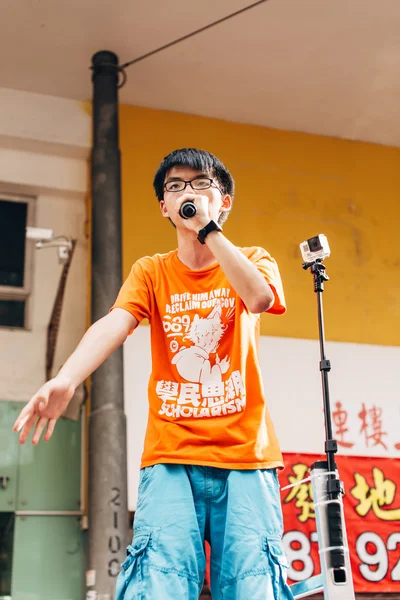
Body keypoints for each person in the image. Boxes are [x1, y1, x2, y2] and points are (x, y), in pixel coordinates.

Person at [13, 148, 294, 600]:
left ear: (225, 201)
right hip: (171, 454)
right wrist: (65, 379)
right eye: (175, 186)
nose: (187, 192)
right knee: (159, 583)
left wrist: (210, 231)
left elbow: (259, 299)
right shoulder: (151, 271)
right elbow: (115, 323)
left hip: (246, 455)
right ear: (164, 206)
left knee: (253, 585)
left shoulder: (251, 258)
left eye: (201, 184)